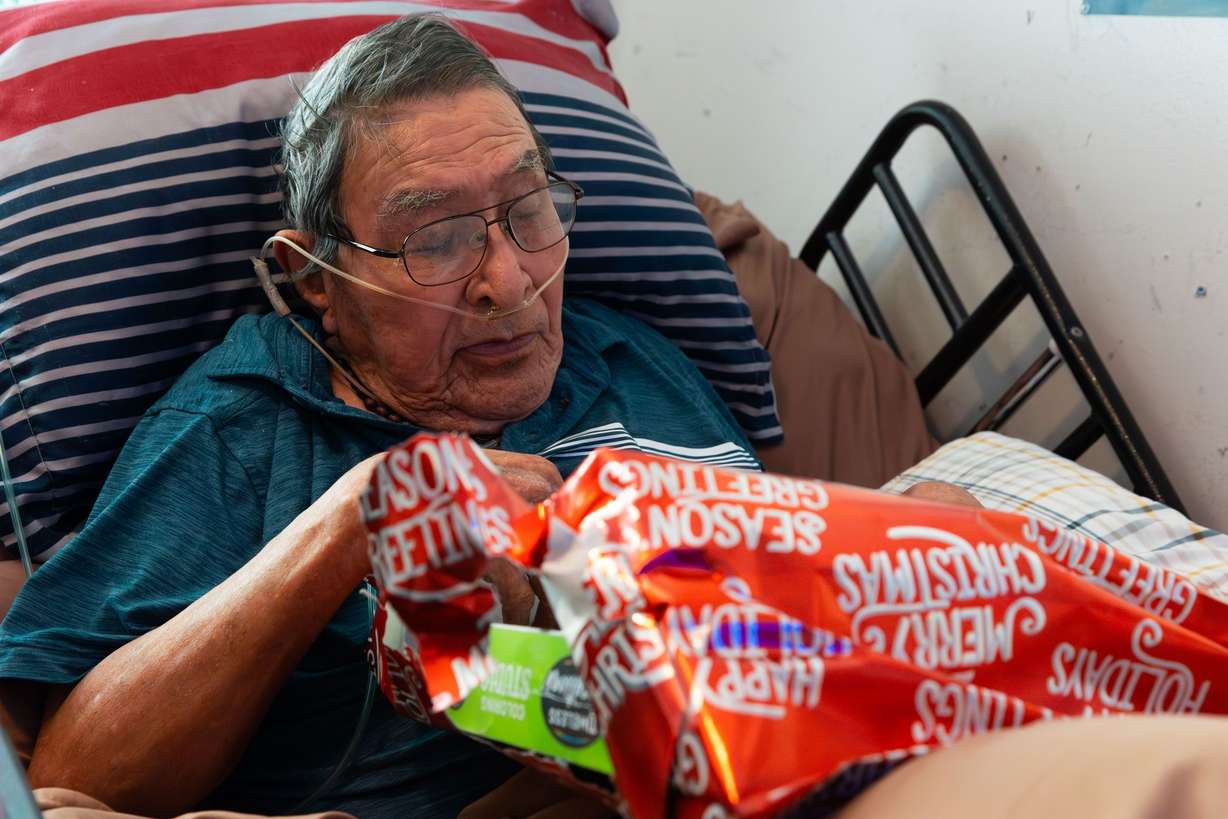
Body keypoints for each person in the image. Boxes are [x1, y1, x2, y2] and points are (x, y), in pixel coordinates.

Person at [0, 14, 759, 819]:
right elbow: (73, 778)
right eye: (435, 239)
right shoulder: (236, 432)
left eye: (529, 207)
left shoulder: (635, 360)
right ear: (315, 277)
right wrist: (358, 516)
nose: (507, 281)